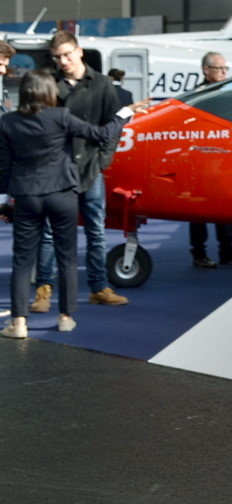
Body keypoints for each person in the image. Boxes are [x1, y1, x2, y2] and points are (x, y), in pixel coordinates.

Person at [2, 71, 138, 338]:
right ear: (48, 92)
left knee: (22, 260)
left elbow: (4, 168)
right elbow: (100, 135)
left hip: (27, 195)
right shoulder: (61, 117)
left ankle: (19, 323)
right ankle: (65, 317)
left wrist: (6, 204)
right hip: (63, 193)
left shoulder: (7, 122)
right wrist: (123, 115)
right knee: (67, 258)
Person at [30, 31, 129, 311]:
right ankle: (44, 291)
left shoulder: (101, 84)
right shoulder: (48, 82)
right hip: (56, 169)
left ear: (79, 51)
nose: (63, 61)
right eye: (58, 57)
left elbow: (115, 123)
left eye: (67, 54)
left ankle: (99, 287)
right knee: (50, 232)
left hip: (89, 168)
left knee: (96, 231)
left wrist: (102, 160)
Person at [189, 52, 232, 268]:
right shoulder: (195, 97)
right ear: (206, 70)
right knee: (198, 210)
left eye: (226, 68)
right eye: (219, 69)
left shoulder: (231, 93)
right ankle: (199, 253)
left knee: (223, 208)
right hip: (200, 161)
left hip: (222, 160)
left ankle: (227, 251)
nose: (224, 72)